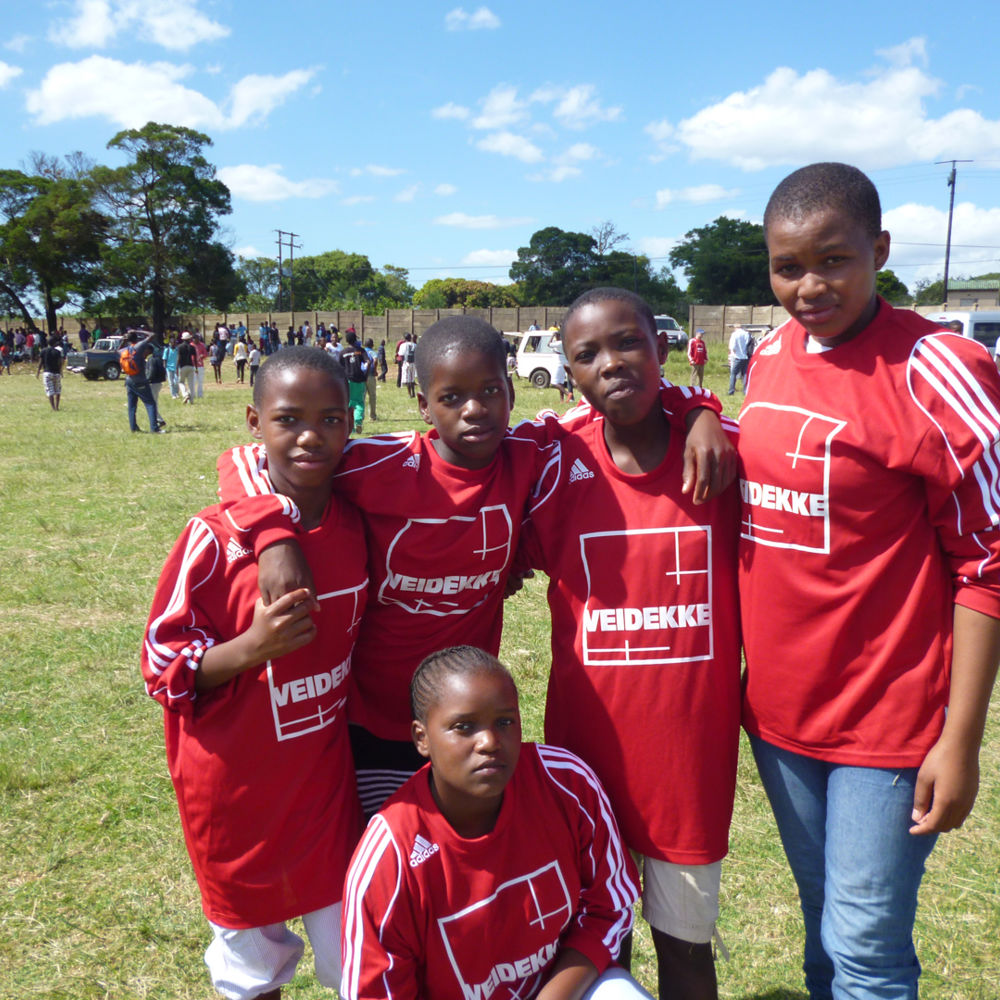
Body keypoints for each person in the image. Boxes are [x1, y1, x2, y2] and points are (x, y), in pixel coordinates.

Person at [216, 317, 729, 815]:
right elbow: (250, 459)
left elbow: (616, 402)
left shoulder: (530, 450)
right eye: (452, 397)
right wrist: (274, 537)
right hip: (373, 717)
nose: (475, 410)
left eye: (490, 391)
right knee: (389, 852)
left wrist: (700, 410)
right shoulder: (379, 464)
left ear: (511, 391)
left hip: (468, 723)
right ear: (423, 406)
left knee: (462, 856)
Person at [741, 161, 1000, 1000]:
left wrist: (959, 742)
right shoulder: (770, 355)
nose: (808, 286)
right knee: (823, 920)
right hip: (780, 719)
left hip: (889, 723)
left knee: (865, 946)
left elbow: (988, 567)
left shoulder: (939, 368)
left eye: (834, 260)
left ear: (879, 250)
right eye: (788, 267)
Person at [516, 288, 741, 1000]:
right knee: (591, 949)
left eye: (628, 344)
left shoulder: (725, 455)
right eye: (587, 354)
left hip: (687, 763)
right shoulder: (552, 459)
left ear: (662, 349)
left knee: (686, 953)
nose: (610, 363)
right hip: (585, 764)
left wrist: (700, 408)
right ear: (570, 371)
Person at [142, 347, 367, 1000]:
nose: (309, 436)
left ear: (349, 422)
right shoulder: (213, 541)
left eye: (329, 419)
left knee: (361, 960)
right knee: (251, 969)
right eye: (288, 419)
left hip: (324, 792)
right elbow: (161, 668)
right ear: (253, 421)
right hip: (235, 801)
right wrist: (251, 648)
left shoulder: (357, 522)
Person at [341, 646, 651, 1000]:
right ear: (421, 738)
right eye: (464, 727)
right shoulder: (390, 856)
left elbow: (607, 908)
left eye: (504, 722)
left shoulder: (566, 783)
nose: (489, 742)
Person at [121, 329, 163, 433]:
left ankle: (133, 428)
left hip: (129, 380)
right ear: (136, 338)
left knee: (132, 406)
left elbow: (115, 351)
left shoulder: (124, 350)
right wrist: (138, 330)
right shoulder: (138, 347)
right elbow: (153, 334)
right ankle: (154, 428)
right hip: (140, 380)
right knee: (150, 404)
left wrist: (124, 340)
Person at [340, 331, 370, 434]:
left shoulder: (343, 353)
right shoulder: (360, 351)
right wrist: (365, 375)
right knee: (359, 402)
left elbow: (339, 367)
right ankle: (358, 422)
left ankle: (350, 426)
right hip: (359, 380)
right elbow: (368, 362)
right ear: (355, 340)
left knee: (349, 402)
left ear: (347, 340)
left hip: (347, 380)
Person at [36, 333, 65, 410]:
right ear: (55, 343)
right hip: (56, 373)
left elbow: (40, 363)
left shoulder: (43, 351)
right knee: (58, 390)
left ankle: (53, 408)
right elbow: (60, 363)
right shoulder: (57, 352)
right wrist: (61, 372)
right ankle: (57, 406)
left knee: (50, 390)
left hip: (47, 373)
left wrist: (38, 372)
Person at [726, 324, 750, 395]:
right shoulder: (746, 334)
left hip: (737, 357)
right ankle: (745, 391)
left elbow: (732, 346)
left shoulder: (734, 334)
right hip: (745, 357)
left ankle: (731, 391)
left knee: (733, 374)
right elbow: (747, 343)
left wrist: (733, 353)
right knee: (745, 374)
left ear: (735, 328)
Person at [177, 332, 197, 403]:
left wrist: (177, 367)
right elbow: (195, 358)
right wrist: (196, 368)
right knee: (191, 383)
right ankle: (191, 400)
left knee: (181, 382)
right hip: (191, 366)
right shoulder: (192, 347)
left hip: (183, 366)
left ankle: (185, 394)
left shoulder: (180, 347)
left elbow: (179, 358)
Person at [363, 338, 379, 420]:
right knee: (372, 396)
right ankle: (372, 416)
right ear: (372, 345)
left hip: (362, 375)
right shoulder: (372, 352)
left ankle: (361, 416)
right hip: (370, 375)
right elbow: (375, 360)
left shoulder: (362, 351)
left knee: (362, 396)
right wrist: (375, 370)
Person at [400, 333, 417, 398]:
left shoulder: (403, 345)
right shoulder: (414, 345)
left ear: (405, 338)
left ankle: (409, 394)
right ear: (410, 338)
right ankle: (413, 392)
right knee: (412, 378)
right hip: (413, 363)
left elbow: (401, 354)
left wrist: (402, 364)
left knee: (407, 379)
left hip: (406, 362)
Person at [164, 334, 180, 399]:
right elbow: (164, 359)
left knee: (176, 381)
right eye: (171, 343)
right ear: (169, 343)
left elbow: (179, 358)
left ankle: (176, 393)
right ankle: (173, 394)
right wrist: (165, 367)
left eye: (174, 343)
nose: (173, 344)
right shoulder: (167, 350)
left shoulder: (177, 350)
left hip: (176, 367)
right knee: (171, 382)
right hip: (169, 368)